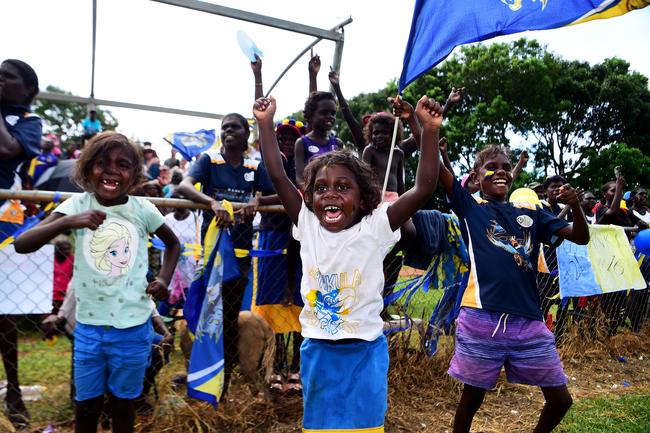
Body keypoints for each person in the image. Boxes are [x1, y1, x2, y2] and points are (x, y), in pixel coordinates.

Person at [253, 93, 442, 431]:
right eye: (321, 188)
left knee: (366, 426)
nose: (331, 193)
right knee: (322, 425)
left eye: (343, 186)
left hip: (365, 351)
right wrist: (265, 124)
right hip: (319, 351)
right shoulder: (307, 225)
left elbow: (423, 188)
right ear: (309, 197)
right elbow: (279, 176)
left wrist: (428, 130)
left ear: (363, 197)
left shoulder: (376, 227)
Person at [14, 131, 181, 433]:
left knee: (123, 406)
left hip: (133, 329)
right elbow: (23, 243)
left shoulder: (143, 209)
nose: (112, 170)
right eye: (102, 162)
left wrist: (163, 278)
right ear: (88, 167)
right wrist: (66, 222)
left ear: (134, 174)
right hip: (89, 329)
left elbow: (172, 244)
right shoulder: (77, 205)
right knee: (86, 407)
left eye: (123, 164)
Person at [437, 144, 589, 433]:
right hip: (482, 317)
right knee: (472, 397)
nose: (501, 172)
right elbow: (437, 168)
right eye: (491, 167)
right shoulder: (470, 207)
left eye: (506, 167)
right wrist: (425, 129)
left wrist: (578, 207)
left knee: (561, 399)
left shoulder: (532, 214)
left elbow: (580, 237)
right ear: (476, 176)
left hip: (528, 319)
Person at [176, 112, 274, 395]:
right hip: (212, 254)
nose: (228, 131)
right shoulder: (208, 160)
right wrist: (213, 202)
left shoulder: (254, 167)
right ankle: (201, 375)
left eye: (235, 127)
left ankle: (224, 381)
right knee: (205, 315)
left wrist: (258, 199)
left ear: (246, 134)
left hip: (240, 256)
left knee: (230, 320)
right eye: (224, 128)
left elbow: (279, 193)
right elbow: (183, 186)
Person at [0, 58, 42, 427]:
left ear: (28, 89)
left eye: (6, 76)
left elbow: (7, 150)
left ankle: (13, 390)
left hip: (3, 221)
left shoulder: (29, 124)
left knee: (4, 313)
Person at [294, 91, 343, 186]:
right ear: (310, 116)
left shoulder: (338, 143)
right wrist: (312, 194)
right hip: (313, 195)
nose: (330, 116)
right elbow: (299, 178)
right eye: (324, 112)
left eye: (333, 113)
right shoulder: (301, 143)